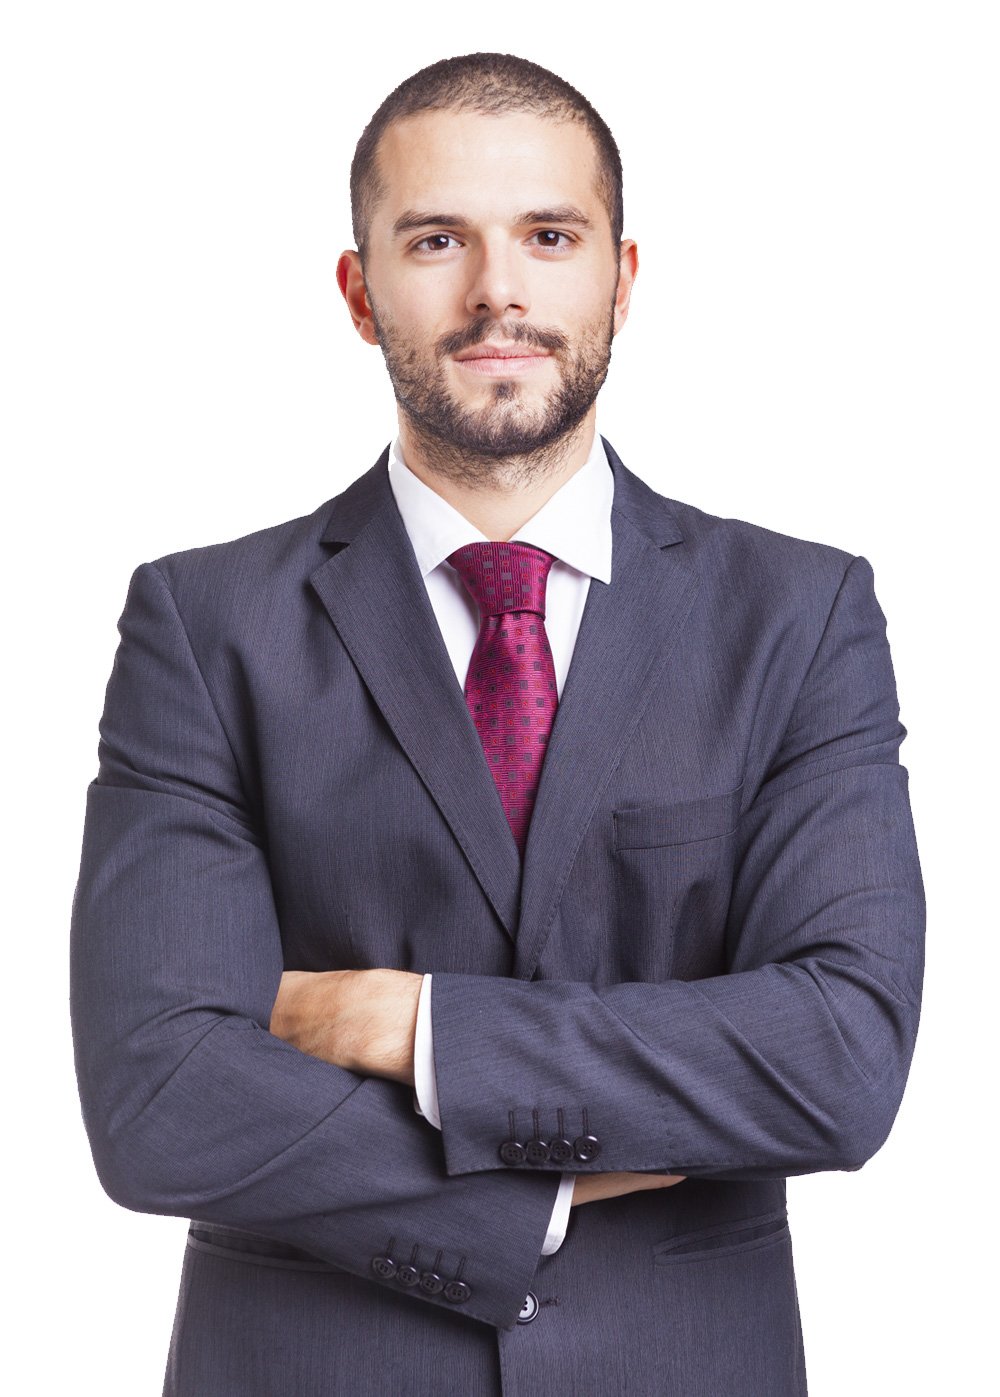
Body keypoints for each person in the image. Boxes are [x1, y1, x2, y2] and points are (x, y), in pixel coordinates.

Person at [69, 51, 925, 1397]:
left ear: (622, 280)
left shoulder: (798, 617)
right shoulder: (205, 625)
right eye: (435, 240)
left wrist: (414, 1027)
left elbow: (839, 1058)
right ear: (360, 292)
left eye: (549, 236)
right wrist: (535, 1196)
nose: (497, 292)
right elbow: (157, 1095)